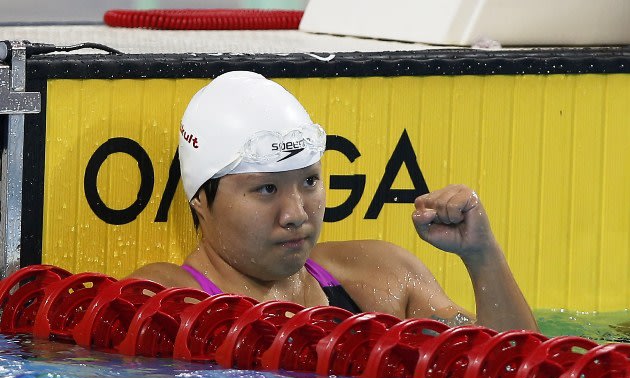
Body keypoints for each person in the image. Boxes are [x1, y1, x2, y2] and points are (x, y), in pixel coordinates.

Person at [128, 71, 538, 332]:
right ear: (201, 198)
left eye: (309, 182)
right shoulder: (165, 300)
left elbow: (518, 377)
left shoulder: (382, 278)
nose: (295, 214)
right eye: (266, 189)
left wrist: (482, 256)